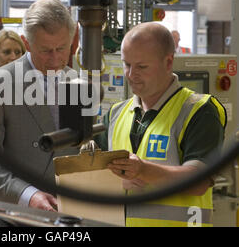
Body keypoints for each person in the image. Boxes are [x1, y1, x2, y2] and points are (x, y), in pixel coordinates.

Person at [94, 22, 226, 227]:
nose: (130, 74)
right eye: (126, 64)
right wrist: (117, 181)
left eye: (141, 66)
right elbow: (89, 174)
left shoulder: (199, 111)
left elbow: (199, 181)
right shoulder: (115, 114)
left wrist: (142, 170)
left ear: (168, 62)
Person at [0, 0, 79, 211]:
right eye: (46, 50)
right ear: (26, 43)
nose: (55, 59)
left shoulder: (77, 83)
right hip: (8, 211)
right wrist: (28, 195)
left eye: (62, 48)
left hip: (61, 213)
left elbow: (79, 152)